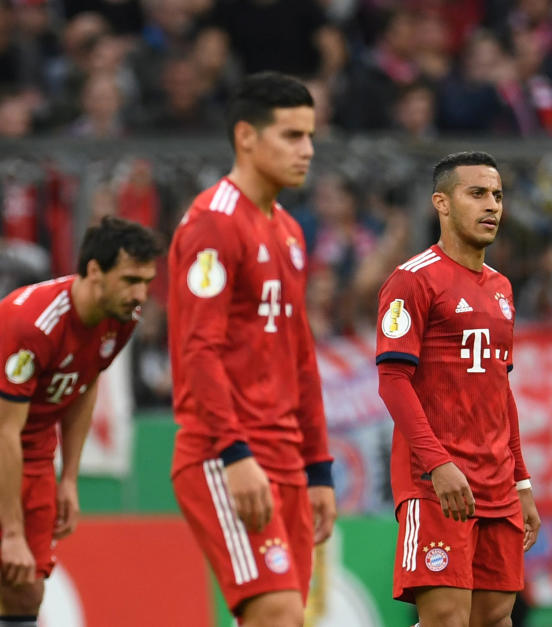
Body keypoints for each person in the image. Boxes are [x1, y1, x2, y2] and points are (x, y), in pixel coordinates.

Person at [0, 216, 162, 627]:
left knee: (28, 589)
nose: (140, 294)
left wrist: (69, 477)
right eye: (129, 280)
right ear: (93, 271)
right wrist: (12, 535)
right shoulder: (32, 325)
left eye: (146, 281)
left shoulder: (120, 318)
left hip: (31, 451)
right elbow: (1, 432)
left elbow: (85, 385)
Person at [167, 71, 336, 627]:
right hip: (226, 451)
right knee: (276, 613)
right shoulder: (214, 223)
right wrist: (235, 455)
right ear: (245, 137)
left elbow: (301, 358)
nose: (307, 150)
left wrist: (317, 469)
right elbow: (199, 350)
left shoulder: (288, 230)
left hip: (286, 455)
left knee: (286, 617)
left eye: (310, 136)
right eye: (291, 136)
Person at [375, 151, 542, 627]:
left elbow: (499, 391)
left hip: (497, 484)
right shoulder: (412, 280)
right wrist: (438, 463)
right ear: (441, 204)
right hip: (436, 484)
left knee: (494, 617)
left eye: (497, 195)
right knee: (446, 618)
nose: (492, 206)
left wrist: (522, 482)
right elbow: (392, 381)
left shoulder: (502, 288)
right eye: (477, 194)